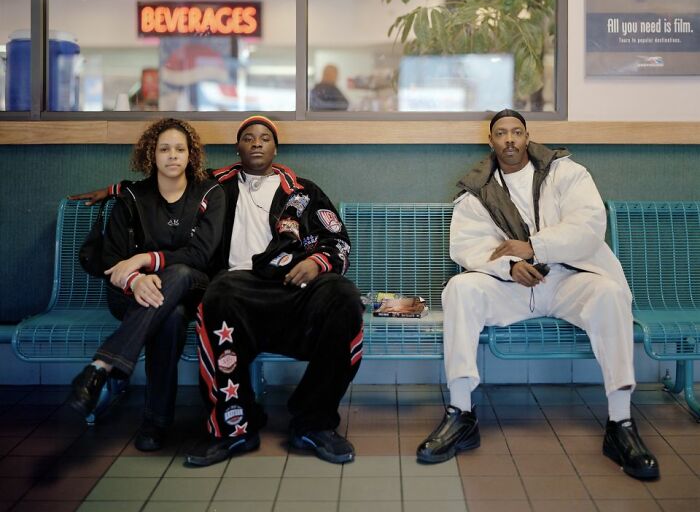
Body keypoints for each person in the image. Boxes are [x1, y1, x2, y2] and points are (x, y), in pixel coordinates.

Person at [71, 115, 364, 466]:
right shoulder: (214, 184)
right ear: (237, 147)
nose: (256, 143)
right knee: (216, 298)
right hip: (234, 286)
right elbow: (163, 182)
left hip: (291, 284)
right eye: (248, 138)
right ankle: (233, 427)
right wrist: (116, 191)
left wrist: (318, 263)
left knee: (344, 298)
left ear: (275, 147)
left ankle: (314, 423)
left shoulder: (302, 191)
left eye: (265, 137)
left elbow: (337, 240)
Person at [417, 109, 660, 480]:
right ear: (491, 141)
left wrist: (534, 247)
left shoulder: (566, 172)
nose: (510, 140)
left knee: (609, 293)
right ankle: (461, 414)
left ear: (528, 137)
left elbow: (588, 226)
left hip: (569, 278)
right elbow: (467, 246)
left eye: (517, 132)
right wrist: (510, 266)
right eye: (501, 133)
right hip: (511, 287)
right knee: (459, 289)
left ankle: (620, 423)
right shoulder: (477, 189)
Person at [68, 118, 225, 451]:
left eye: (180, 149)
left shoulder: (209, 193)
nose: (172, 156)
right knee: (168, 317)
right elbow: (112, 261)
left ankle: (101, 366)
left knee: (179, 275)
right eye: (164, 149)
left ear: (191, 154)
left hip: (192, 285)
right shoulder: (131, 198)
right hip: (131, 293)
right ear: (150, 155)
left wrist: (142, 261)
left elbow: (199, 255)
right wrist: (136, 281)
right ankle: (155, 423)